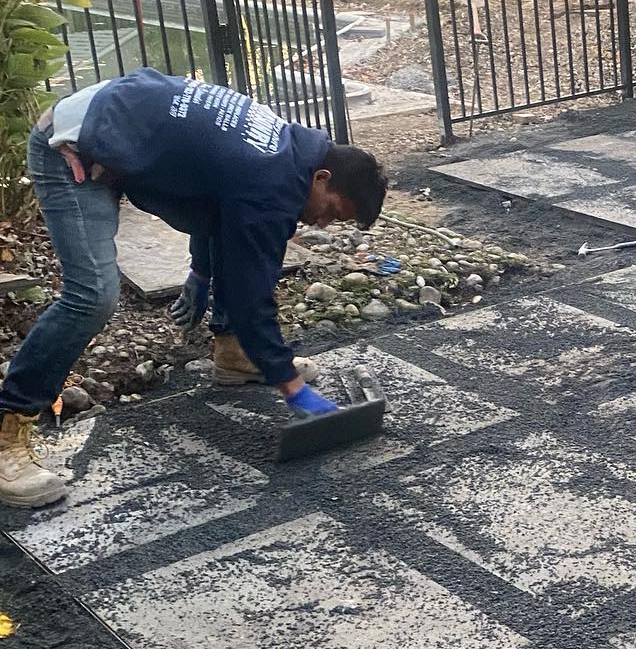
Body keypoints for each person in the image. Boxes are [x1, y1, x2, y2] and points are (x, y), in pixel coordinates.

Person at [0, 68, 388, 509]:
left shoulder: (288, 153)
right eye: (331, 212)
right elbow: (249, 293)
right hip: (70, 147)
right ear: (321, 178)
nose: (321, 223)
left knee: (243, 246)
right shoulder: (272, 180)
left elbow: (217, 208)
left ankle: (234, 355)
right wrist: (291, 386)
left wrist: (201, 273)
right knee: (92, 295)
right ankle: (7, 429)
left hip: (117, 133)